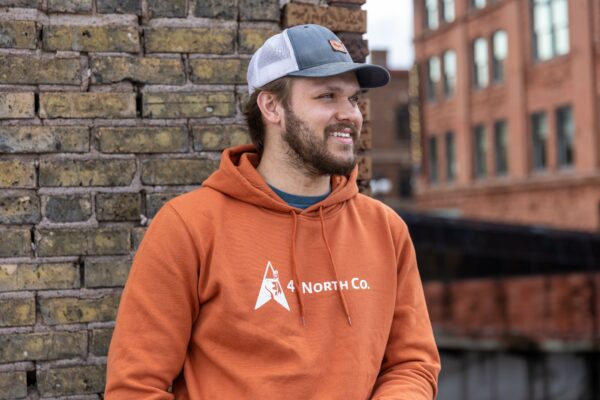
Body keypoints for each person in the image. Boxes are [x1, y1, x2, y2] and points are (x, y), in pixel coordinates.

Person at [105, 24, 440, 399]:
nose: (350, 114)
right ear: (271, 107)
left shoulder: (385, 229)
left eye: (353, 98)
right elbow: (135, 387)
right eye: (328, 96)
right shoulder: (188, 227)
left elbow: (412, 364)